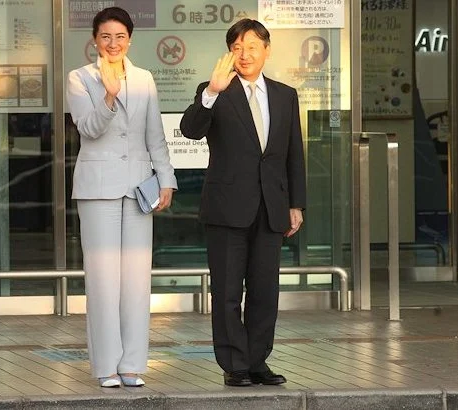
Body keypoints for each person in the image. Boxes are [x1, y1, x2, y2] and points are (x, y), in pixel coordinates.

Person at [180, 19, 306, 387]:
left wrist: (295, 204)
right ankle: (234, 364)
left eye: (252, 46)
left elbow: (293, 154)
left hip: (271, 208)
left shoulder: (285, 95)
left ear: (267, 50)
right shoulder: (215, 90)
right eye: (237, 47)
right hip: (226, 208)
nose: (245, 54)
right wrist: (212, 93)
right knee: (228, 291)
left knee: (266, 291)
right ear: (228, 53)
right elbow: (191, 129)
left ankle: (257, 361)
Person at [66, 7, 177, 388]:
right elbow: (88, 129)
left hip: (138, 188)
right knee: (102, 280)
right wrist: (109, 97)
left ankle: (132, 364)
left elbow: (154, 134)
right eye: (105, 37)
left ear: (130, 39)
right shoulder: (80, 78)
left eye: (120, 37)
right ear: (95, 40)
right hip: (98, 189)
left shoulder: (144, 78)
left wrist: (166, 179)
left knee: (135, 280)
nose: (113, 44)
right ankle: (106, 366)